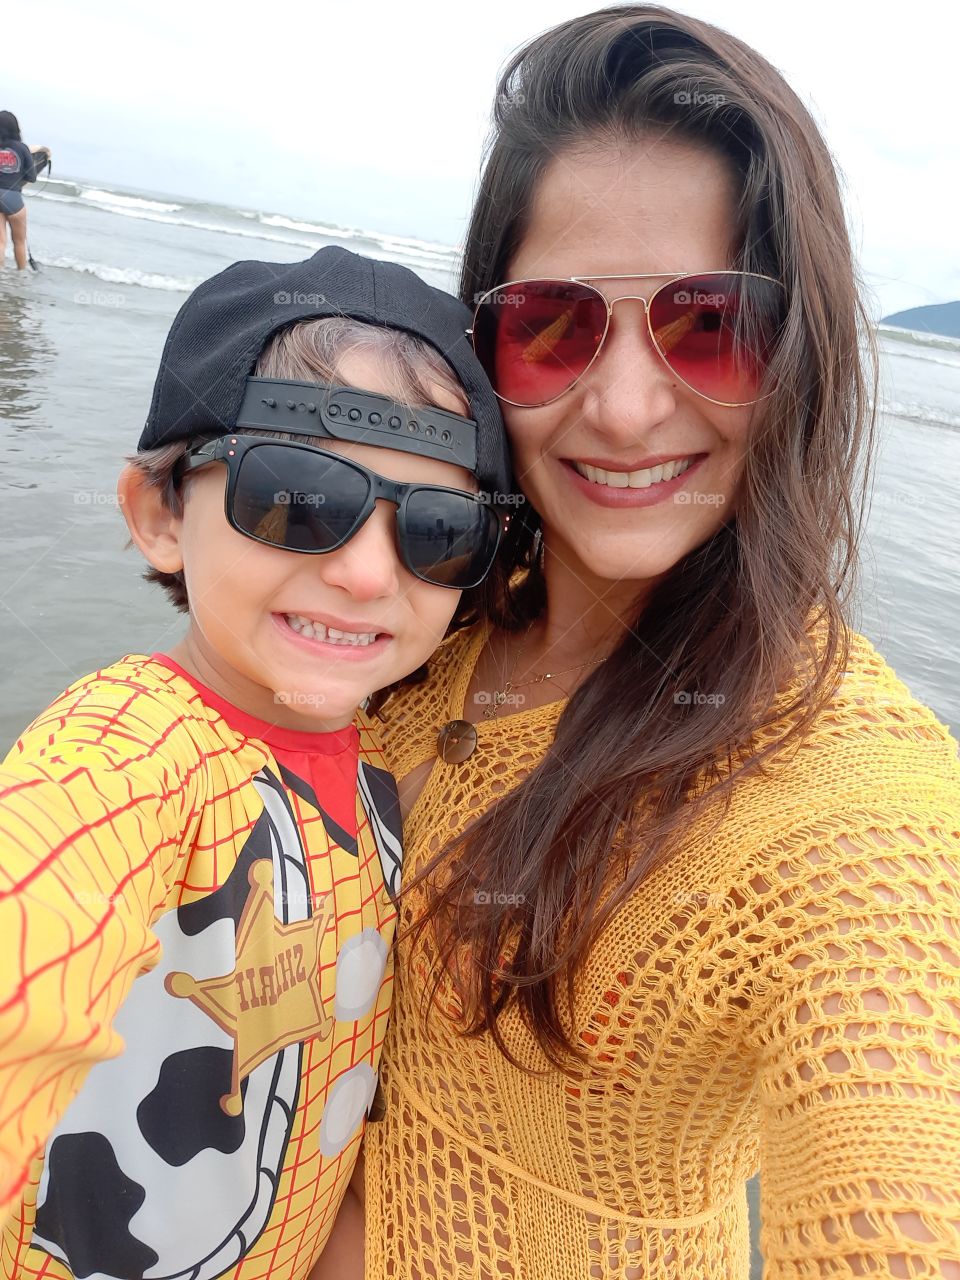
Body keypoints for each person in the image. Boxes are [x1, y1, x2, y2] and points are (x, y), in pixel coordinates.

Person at [356, 8, 960, 1279]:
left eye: (711, 325)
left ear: (801, 355)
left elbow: (894, 1183)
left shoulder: (846, 798)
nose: (626, 409)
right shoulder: (405, 614)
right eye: (553, 324)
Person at [0, 245, 510, 1279]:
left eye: (438, 529)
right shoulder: (130, 751)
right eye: (297, 498)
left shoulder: (385, 759)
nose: (366, 572)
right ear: (160, 515)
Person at [0, 111, 50, 270]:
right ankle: (21, 275)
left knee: (0, 242)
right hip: (13, 199)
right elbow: (32, 177)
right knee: (19, 241)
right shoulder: (22, 148)